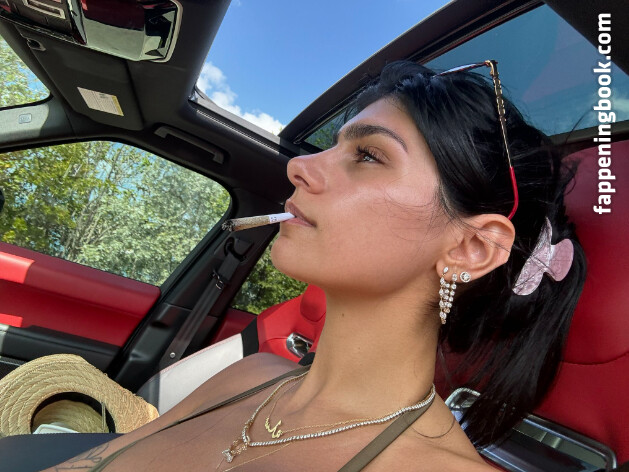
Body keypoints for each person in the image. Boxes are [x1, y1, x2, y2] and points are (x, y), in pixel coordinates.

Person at [45, 60, 585, 471]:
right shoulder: (253, 374)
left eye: (368, 156)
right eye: (333, 147)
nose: (299, 166)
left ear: (471, 249)